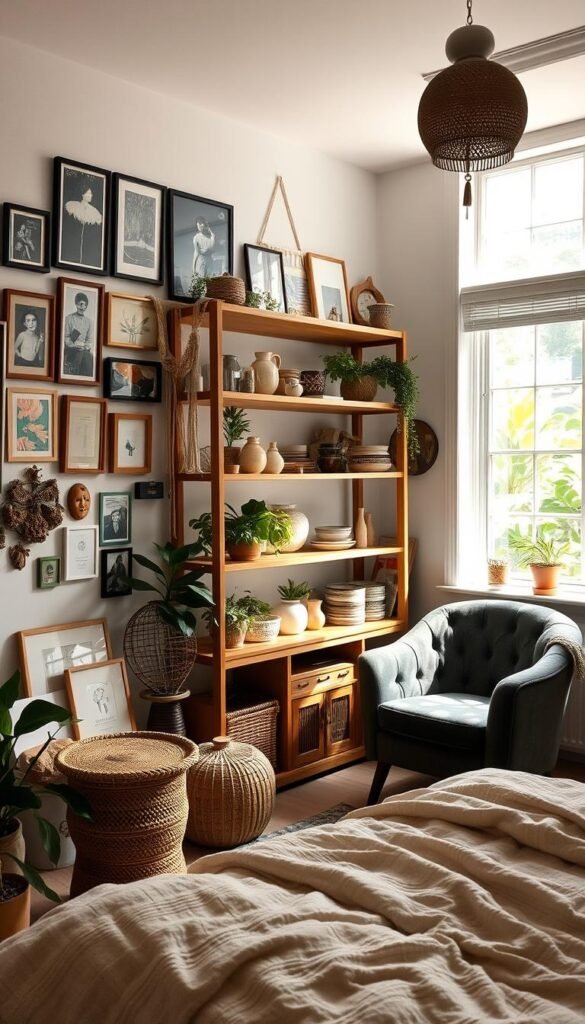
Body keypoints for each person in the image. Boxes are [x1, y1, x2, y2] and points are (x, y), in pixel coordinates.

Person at [63, 292, 94, 378]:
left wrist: (86, 347)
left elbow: (90, 340)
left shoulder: (89, 322)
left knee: (88, 356)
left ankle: (87, 379)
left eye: (85, 305)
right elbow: (66, 337)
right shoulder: (69, 318)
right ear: (76, 304)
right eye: (80, 304)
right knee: (82, 355)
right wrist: (73, 345)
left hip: (83, 349)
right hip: (71, 349)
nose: (83, 307)